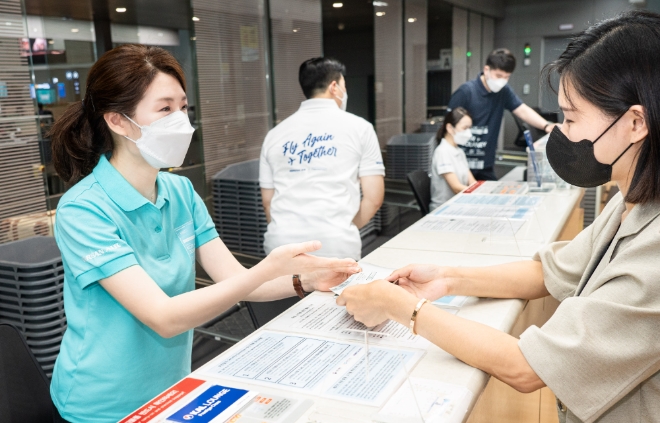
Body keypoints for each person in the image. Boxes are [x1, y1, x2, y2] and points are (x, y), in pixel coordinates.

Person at [337, 10, 660, 423]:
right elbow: (547, 272)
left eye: (572, 118)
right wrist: (450, 278)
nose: (562, 131)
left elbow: (525, 366)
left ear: (635, 123)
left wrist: (397, 305)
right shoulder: (629, 201)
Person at [47, 44, 359, 423]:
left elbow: (238, 282)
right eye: (164, 109)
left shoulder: (179, 192)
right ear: (118, 121)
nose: (181, 120)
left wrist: (305, 280)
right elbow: (162, 316)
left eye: (183, 107)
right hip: (103, 404)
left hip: (172, 389)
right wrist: (268, 268)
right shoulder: (83, 209)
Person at [259, 57, 385, 260]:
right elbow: (374, 199)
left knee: (285, 292)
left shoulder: (274, 135)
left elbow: (268, 203)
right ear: (334, 87)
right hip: (337, 245)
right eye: (344, 84)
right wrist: (344, 227)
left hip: (281, 246)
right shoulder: (360, 128)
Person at [448, 48, 558, 180]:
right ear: (486, 69)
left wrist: (546, 126)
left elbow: (521, 109)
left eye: (507, 77)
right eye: (499, 76)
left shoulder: (503, 91)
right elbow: (448, 126)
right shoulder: (466, 92)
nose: (502, 81)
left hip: (486, 164)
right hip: (462, 164)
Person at [430, 107, 476, 211]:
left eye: (470, 128)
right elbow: (456, 187)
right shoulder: (442, 152)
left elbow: (472, 182)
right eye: (465, 128)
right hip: (444, 209)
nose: (468, 133)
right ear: (450, 128)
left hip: (459, 204)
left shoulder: (459, 151)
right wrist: (479, 193)